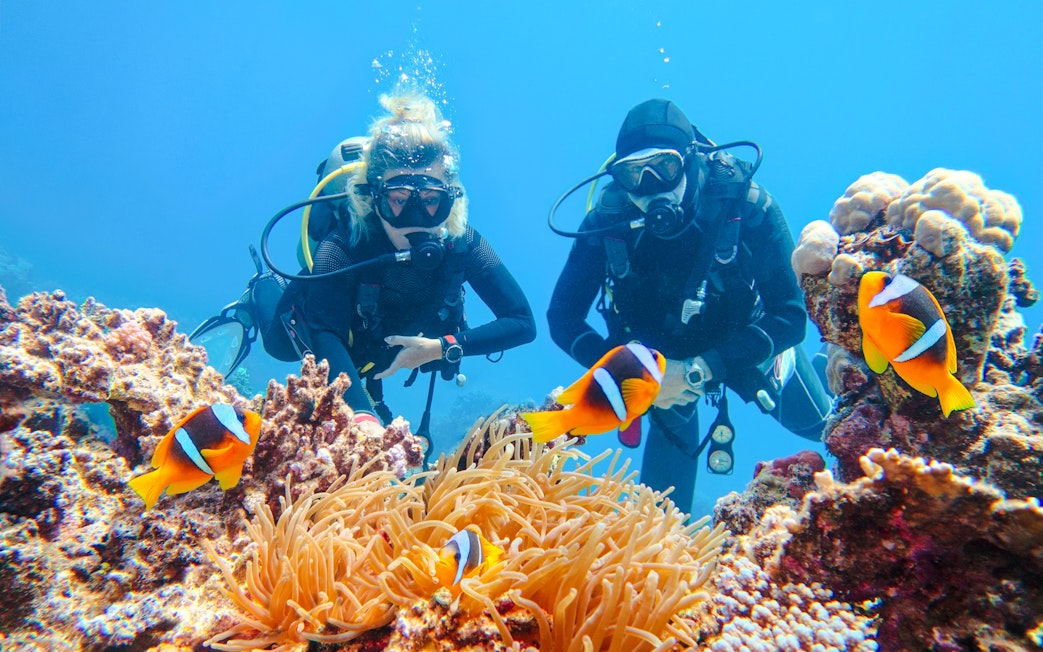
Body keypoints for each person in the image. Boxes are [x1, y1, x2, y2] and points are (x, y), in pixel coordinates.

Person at [546, 98, 830, 515]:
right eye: (632, 174)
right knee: (662, 516)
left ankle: (828, 366)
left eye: (664, 167)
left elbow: (789, 317)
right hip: (658, 379)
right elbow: (562, 318)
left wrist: (701, 368)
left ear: (690, 159)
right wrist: (620, 369)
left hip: (742, 345)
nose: (650, 186)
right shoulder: (607, 223)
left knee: (821, 427)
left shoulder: (744, 205)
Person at [259, 92, 536, 439]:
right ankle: (262, 288)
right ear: (374, 199)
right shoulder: (343, 245)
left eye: (432, 201)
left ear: (450, 198)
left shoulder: (463, 241)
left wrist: (441, 346)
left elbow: (523, 322)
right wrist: (363, 416)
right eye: (399, 201)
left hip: (385, 341)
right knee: (278, 346)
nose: (416, 219)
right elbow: (325, 333)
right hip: (333, 326)